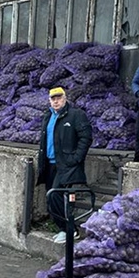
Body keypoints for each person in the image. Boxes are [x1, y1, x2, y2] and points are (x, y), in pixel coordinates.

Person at [36, 87, 93, 243]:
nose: (56, 101)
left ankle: (70, 230)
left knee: (55, 195)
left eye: (59, 98)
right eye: (53, 99)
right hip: (49, 164)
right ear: (49, 101)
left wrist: (76, 158)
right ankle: (63, 228)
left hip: (66, 165)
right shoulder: (48, 116)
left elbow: (86, 137)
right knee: (52, 197)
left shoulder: (76, 115)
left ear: (65, 98)